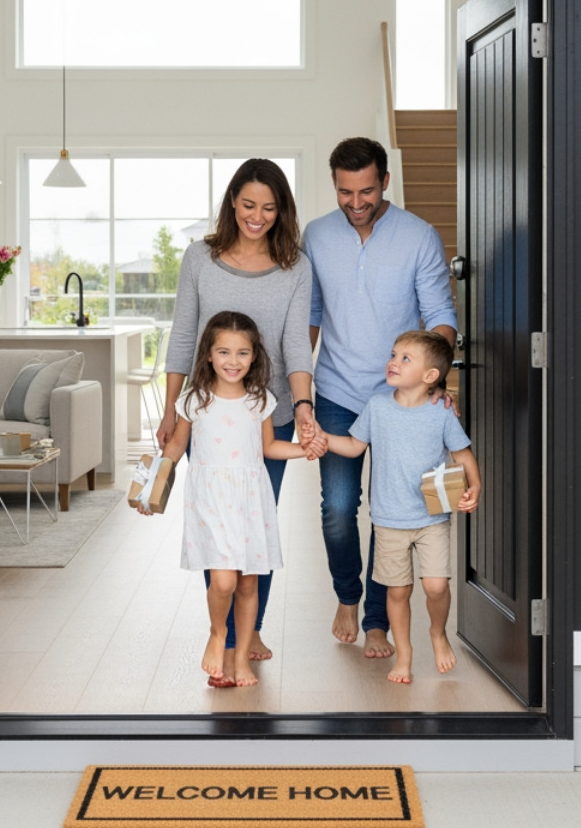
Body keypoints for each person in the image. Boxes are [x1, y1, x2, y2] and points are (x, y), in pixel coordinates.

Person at [159, 158, 316, 684]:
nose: (257, 216)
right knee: (218, 529)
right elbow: (184, 334)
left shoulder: (295, 266)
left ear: (282, 210)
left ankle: (248, 635)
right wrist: (171, 407)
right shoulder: (199, 258)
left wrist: (303, 407)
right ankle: (225, 638)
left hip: (268, 414)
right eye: (249, 204)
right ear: (232, 201)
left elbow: (296, 343)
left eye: (269, 208)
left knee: (255, 527)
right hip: (208, 415)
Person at [302, 137, 457, 659]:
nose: (356, 202)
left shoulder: (419, 236)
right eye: (345, 192)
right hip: (337, 390)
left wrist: (434, 381)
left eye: (366, 190)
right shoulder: (316, 235)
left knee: (392, 513)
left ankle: (375, 622)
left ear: (385, 181)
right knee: (338, 508)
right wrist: (297, 390)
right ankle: (347, 596)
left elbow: (440, 317)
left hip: (400, 400)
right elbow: (311, 315)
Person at [149, 311, 318, 687]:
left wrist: (304, 450)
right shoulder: (194, 400)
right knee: (223, 581)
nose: (233, 361)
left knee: (248, 584)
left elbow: (269, 448)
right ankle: (217, 634)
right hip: (210, 501)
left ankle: (241, 659)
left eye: (242, 353)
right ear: (208, 355)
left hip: (250, 502)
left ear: (254, 356)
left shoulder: (261, 400)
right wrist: (150, 486)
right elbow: (175, 447)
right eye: (224, 352)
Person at [318, 331, 480, 684]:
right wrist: (321, 437)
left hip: (432, 517)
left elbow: (463, 454)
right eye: (394, 354)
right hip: (389, 520)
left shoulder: (440, 412)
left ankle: (438, 634)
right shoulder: (377, 406)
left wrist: (476, 486)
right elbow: (354, 446)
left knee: (436, 586)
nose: (393, 362)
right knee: (398, 591)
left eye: (406, 358)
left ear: (430, 376)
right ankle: (404, 654)